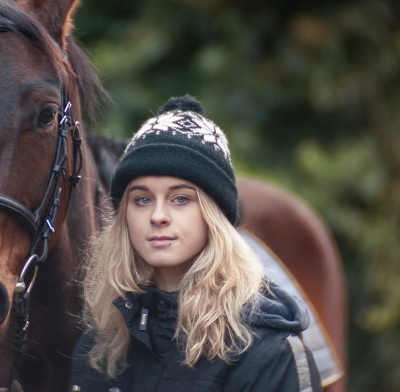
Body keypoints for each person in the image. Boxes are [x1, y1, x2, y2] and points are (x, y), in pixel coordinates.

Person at [69, 96, 322, 392]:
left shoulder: (269, 353)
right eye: (142, 199)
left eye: (180, 199)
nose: (158, 216)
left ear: (213, 216)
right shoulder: (98, 350)